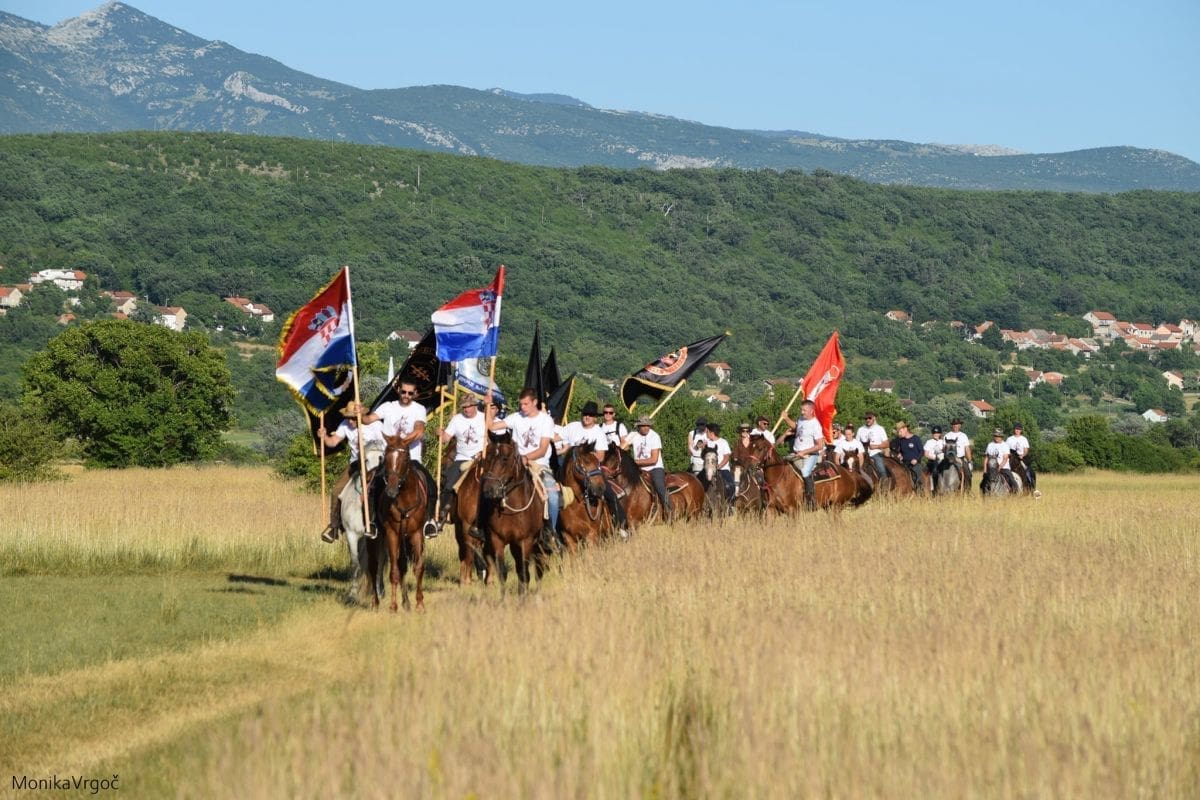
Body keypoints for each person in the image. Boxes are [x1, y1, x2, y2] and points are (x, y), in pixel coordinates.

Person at [354, 380, 439, 538]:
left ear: (415, 394)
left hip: (411, 459)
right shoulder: (388, 407)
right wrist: (360, 413)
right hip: (389, 459)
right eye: (403, 391)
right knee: (373, 485)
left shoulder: (419, 409)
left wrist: (400, 443)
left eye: (410, 393)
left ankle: (430, 520)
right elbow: (368, 420)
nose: (406, 395)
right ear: (398, 390)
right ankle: (372, 521)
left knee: (431, 484)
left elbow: (419, 430)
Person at [487, 387, 561, 549]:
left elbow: (543, 449)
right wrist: (488, 408)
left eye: (526, 404)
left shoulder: (545, 420)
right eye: (521, 404)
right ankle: (485, 526)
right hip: (515, 464)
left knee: (553, 495)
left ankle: (550, 531)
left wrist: (525, 458)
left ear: (535, 402)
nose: (522, 407)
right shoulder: (516, 417)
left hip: (539, 465)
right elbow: (491, 426)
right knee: (491, 484)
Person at [561, 401, 629, 538]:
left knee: (609, 494)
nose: (587, 417)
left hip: (591, 471)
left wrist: (585, 458)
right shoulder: (572, 427)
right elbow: (557, 437)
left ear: (595, 418)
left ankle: (621, 525)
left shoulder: (599, 433)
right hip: (569, 470)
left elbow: (601, 456)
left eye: (591, 415)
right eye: (585, 414)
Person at [317, 414, 385, 543]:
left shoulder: (375, 425)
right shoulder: (345, 424)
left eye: (353, 418)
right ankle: (334, 527)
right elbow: (333, 441)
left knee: (388, 488)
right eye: (348, 417)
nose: (350, 420)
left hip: (377, 463)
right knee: (336, 491)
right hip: (356, 464)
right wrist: (324, 436)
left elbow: (387, 444)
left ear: (360, 415)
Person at [436, 394, 486, 528]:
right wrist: (440, 434)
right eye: (464, 407)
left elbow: (493, 435)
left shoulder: (484, 418)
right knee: (449, 484)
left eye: (469, 406)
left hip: (481, 458)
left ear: (475, 405)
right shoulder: (457, 419)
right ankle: (442, 515)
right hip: (462, 458)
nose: (466, 409)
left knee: (491, 484)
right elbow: (446, 438)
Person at [627, 415, 673, 519]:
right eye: (643, 425)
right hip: (638, 469)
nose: (646, 428)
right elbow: (622, 446)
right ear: (638, 426)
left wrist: (635, 462)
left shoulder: (655, 436)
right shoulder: (633, 435)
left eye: (647, 425)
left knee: (659, 486)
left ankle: (670, 511)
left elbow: (654, 459)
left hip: (655, 468)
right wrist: (625, 442)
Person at [781, 400, 825, 509]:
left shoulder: (815, 425)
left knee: (805, 472)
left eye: (804, 410)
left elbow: (820, 445)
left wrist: (804, 452)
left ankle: (810, 500)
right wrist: (786, 418)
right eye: (801, 410)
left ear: (811, 411)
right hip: (796, 453)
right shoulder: (801, 419)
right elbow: (796, 427)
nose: (802, 412)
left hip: (810, 455)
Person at [704, 422, 736, 504]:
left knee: (731, 485)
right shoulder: (707, 443)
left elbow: (727, 457)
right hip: (708, 470)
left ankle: (730, 504)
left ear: (711, 433)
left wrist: (719, 466)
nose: (706, 433)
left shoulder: (723, 442)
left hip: (722, 469)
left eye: (707, 431)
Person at [1006, 423, 1041, 497]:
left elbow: (1026, 450)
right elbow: (1006, 450)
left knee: (1029, 470)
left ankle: (1032, 487)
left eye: (1019, 429)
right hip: (1011, 458)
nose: (1017, 430)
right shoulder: (1009, 439)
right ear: (1014, 430)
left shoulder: (1024, 439)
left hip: (1021, 458)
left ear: (1021, 430)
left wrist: (1022, 455)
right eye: (1016, 429)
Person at [857, 411, 890, 483]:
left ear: (874, 418)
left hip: (875, 454)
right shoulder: (860, 429)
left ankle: (885, 485)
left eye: (869, 418)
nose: (868, 420)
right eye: (866, 418)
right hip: (862, 455)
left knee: (881, 469)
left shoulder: (880, 429)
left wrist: (876, 446)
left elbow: (887, 444)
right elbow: (856, 444)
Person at [892, 421, 924, 494]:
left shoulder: (916, 438)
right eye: (898, 432)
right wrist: (900, 454)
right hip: (904, 464)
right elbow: (899, 451)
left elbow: (922, 451)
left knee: (918, 477)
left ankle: (920, 492)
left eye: (900, 431)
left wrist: (916, 459)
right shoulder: (901, 440)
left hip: (915, 464)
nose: (899, 433)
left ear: (905, 429)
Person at [943, 418, 973, 492]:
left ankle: (967, 491)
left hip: (960, 458)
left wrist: (969, 461)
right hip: (947, 459)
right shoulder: (947, 435)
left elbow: (967, 449)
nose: (955, 426)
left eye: (957, 424)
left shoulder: (963, 436)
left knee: (968, 474)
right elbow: (943, 448)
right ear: (952, 425)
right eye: (954, 424)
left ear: (960, 425)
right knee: (937, 471)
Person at [923, 425, 946, 494]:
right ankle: (934, 488)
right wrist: (935, 458)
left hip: (942, 461)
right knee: (934, 471)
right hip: (932, 461)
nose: (936, 434)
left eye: (937, 433)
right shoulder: (929, 442)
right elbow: (926, 454)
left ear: (940, 434)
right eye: (934, 433)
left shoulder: (943, 442)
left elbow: (946, 451)